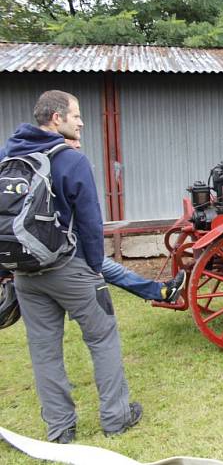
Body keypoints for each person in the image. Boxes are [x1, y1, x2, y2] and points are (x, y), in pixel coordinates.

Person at [0, 91, 142, 444]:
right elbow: (91, 223)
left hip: (25, 275)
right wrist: (95, 267)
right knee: (103, 337)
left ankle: (60, 430)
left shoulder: (7, 154)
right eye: (76, 115)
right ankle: (116, 418)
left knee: (44, 351)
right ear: (55, 118)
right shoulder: (72, 160)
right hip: (69, 268)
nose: (81, 122)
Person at [62, 139, 186, 303]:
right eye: (74, 139)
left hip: (55, 253)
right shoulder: (71, 166)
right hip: (71, 251)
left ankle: (162, 291)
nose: (78, 144)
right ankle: (163, 292)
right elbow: (88, 220)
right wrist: (94, 260)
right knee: (111, 281)